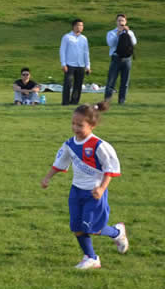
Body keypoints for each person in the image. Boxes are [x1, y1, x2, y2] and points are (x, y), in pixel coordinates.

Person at [40, 101, 129, 270]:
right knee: (76, 227)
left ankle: (117, 232)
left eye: (80, 125)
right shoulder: (69, 144)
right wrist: (47, 178)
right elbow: (60, 162)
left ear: (92, 125)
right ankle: (91, 257)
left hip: (94, 192)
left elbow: (110, 169)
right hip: (76, 191)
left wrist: (102, 188)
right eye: (73, 123)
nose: (75, 128)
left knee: (93, 228)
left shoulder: (99, 146)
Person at [104, 14, 137, 105]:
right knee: (111, 81)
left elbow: (134, 42)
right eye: (119, 20)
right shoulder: (111, 33)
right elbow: (110, 44)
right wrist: (117, 34)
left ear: (125, 22)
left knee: (125, 81)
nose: (121, 22)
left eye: (122, 21)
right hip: (116, 58)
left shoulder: (130, 32)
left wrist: (128, 32)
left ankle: (122, 101)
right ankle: (107, 101)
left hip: (127, 59)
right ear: (116, 22)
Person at [60, 19, 91, 106]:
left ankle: (74, 101)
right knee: (68, 83)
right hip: (70, 64)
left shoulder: (84, 38)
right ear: (73, 26)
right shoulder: (67, 37)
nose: (80, 27)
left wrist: (88, 65)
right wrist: (63, 64)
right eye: (78, 25)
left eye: (81, 26)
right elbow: (62, 51)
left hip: (80, 64)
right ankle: (65, 102)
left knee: (78, 84)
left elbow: (86, 52)